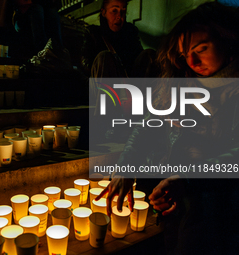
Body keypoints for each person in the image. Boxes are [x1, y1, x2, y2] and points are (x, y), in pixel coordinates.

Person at [96, 2, 239, 254]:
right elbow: (147, 126)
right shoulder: (181, 84)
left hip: (220, 212)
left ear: (228, 39)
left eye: (201, 49)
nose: (192, 61)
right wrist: (126, 168)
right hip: (178, 202)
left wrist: (187, 180)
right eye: (185, 54)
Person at [81, 0, 143, 78]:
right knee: (104, 57)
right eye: (114, 11)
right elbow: (86, 65)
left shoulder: (130, 33)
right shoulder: (93, 34)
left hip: (128, 86)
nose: (119, 16)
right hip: (103, 87)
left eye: (123, 11)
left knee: (149, 55)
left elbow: (140, 60)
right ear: (104, 13)